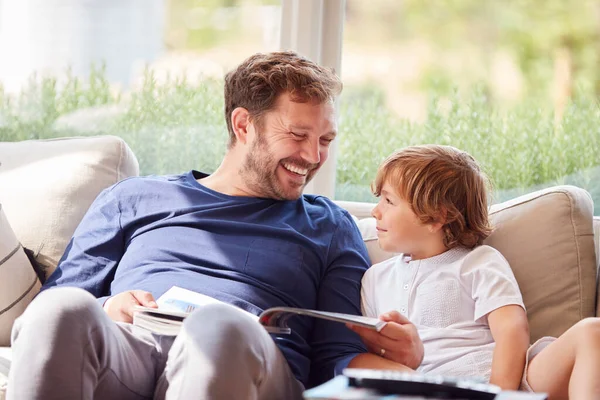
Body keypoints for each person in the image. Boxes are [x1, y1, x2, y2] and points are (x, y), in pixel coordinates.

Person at [7, 51, 423, 400]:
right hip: (134, 347)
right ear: (244, 125)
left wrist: (401, 361)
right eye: (298, 135)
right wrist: (108, 307)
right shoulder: (132, 198)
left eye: (326, 141)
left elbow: (336, 353)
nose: (313, 156)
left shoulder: (329, 226)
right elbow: (51, 307)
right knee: (64, 310)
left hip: (248, 361)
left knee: (220, 326)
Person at [352, 144, 600, 399]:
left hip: (505, 385)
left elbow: (512, 331)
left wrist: (498, 393)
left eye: (389, 200)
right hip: (428, 391)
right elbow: (369, 355)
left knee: (592, 332)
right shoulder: (374, 279)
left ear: (437, 217)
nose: (375, 211)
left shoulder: (478, 262)